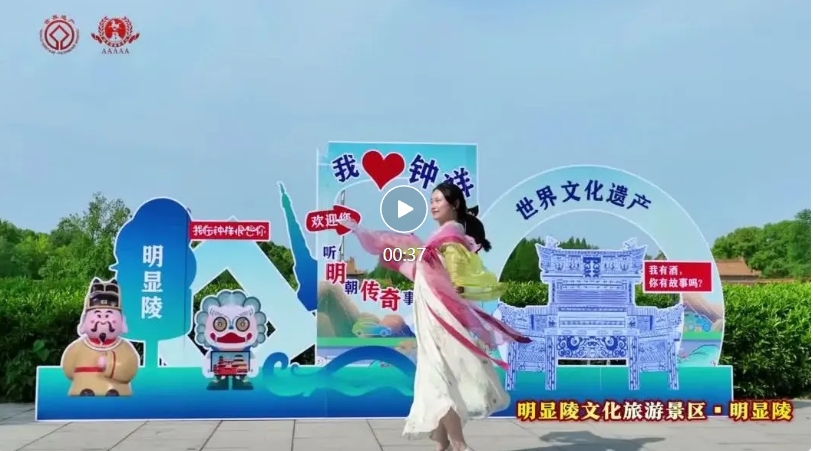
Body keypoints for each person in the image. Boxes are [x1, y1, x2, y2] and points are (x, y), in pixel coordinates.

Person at [345, 182, 530, 451]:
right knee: (440, 376)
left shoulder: (450, 237)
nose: (433, 205)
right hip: (431, 315)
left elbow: (456, 274)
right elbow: (420, 267)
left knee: (439, 378)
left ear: (454, 204)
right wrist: (380, 245)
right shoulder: (439, 238)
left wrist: (458, 285)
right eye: (431, 200)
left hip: (440, 318)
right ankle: (442, 445)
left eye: (438, 200)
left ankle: (459, 444)